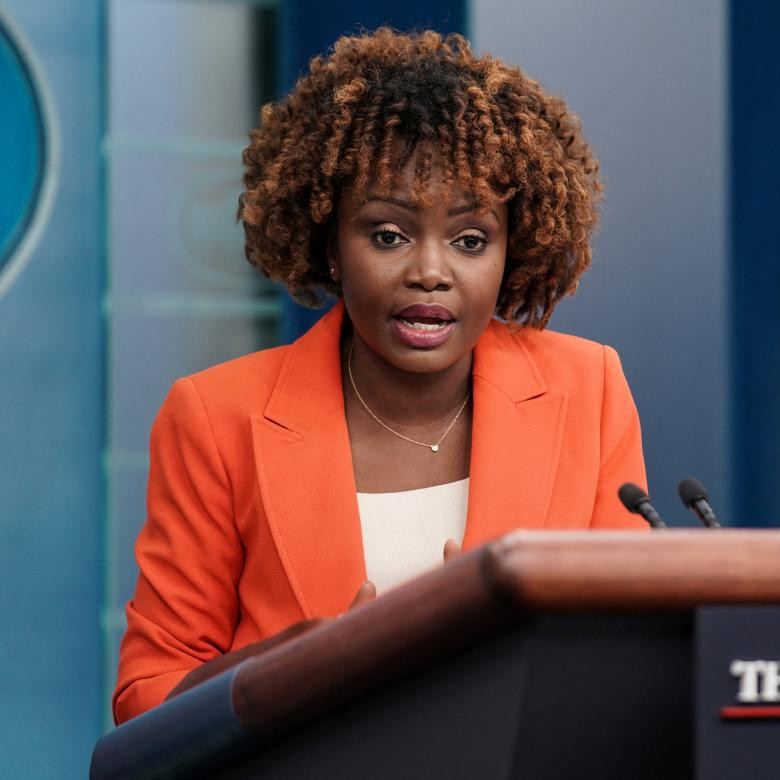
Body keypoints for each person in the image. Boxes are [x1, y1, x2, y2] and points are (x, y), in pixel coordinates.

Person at [113, 28, 648, 724]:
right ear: (330, 244)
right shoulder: (217, 417)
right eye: (388, 235)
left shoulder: (589, 389)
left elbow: (629, 650)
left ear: (513, 250)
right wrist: (294, 665)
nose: (430, 271)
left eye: (470, 240)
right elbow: (146, 698)